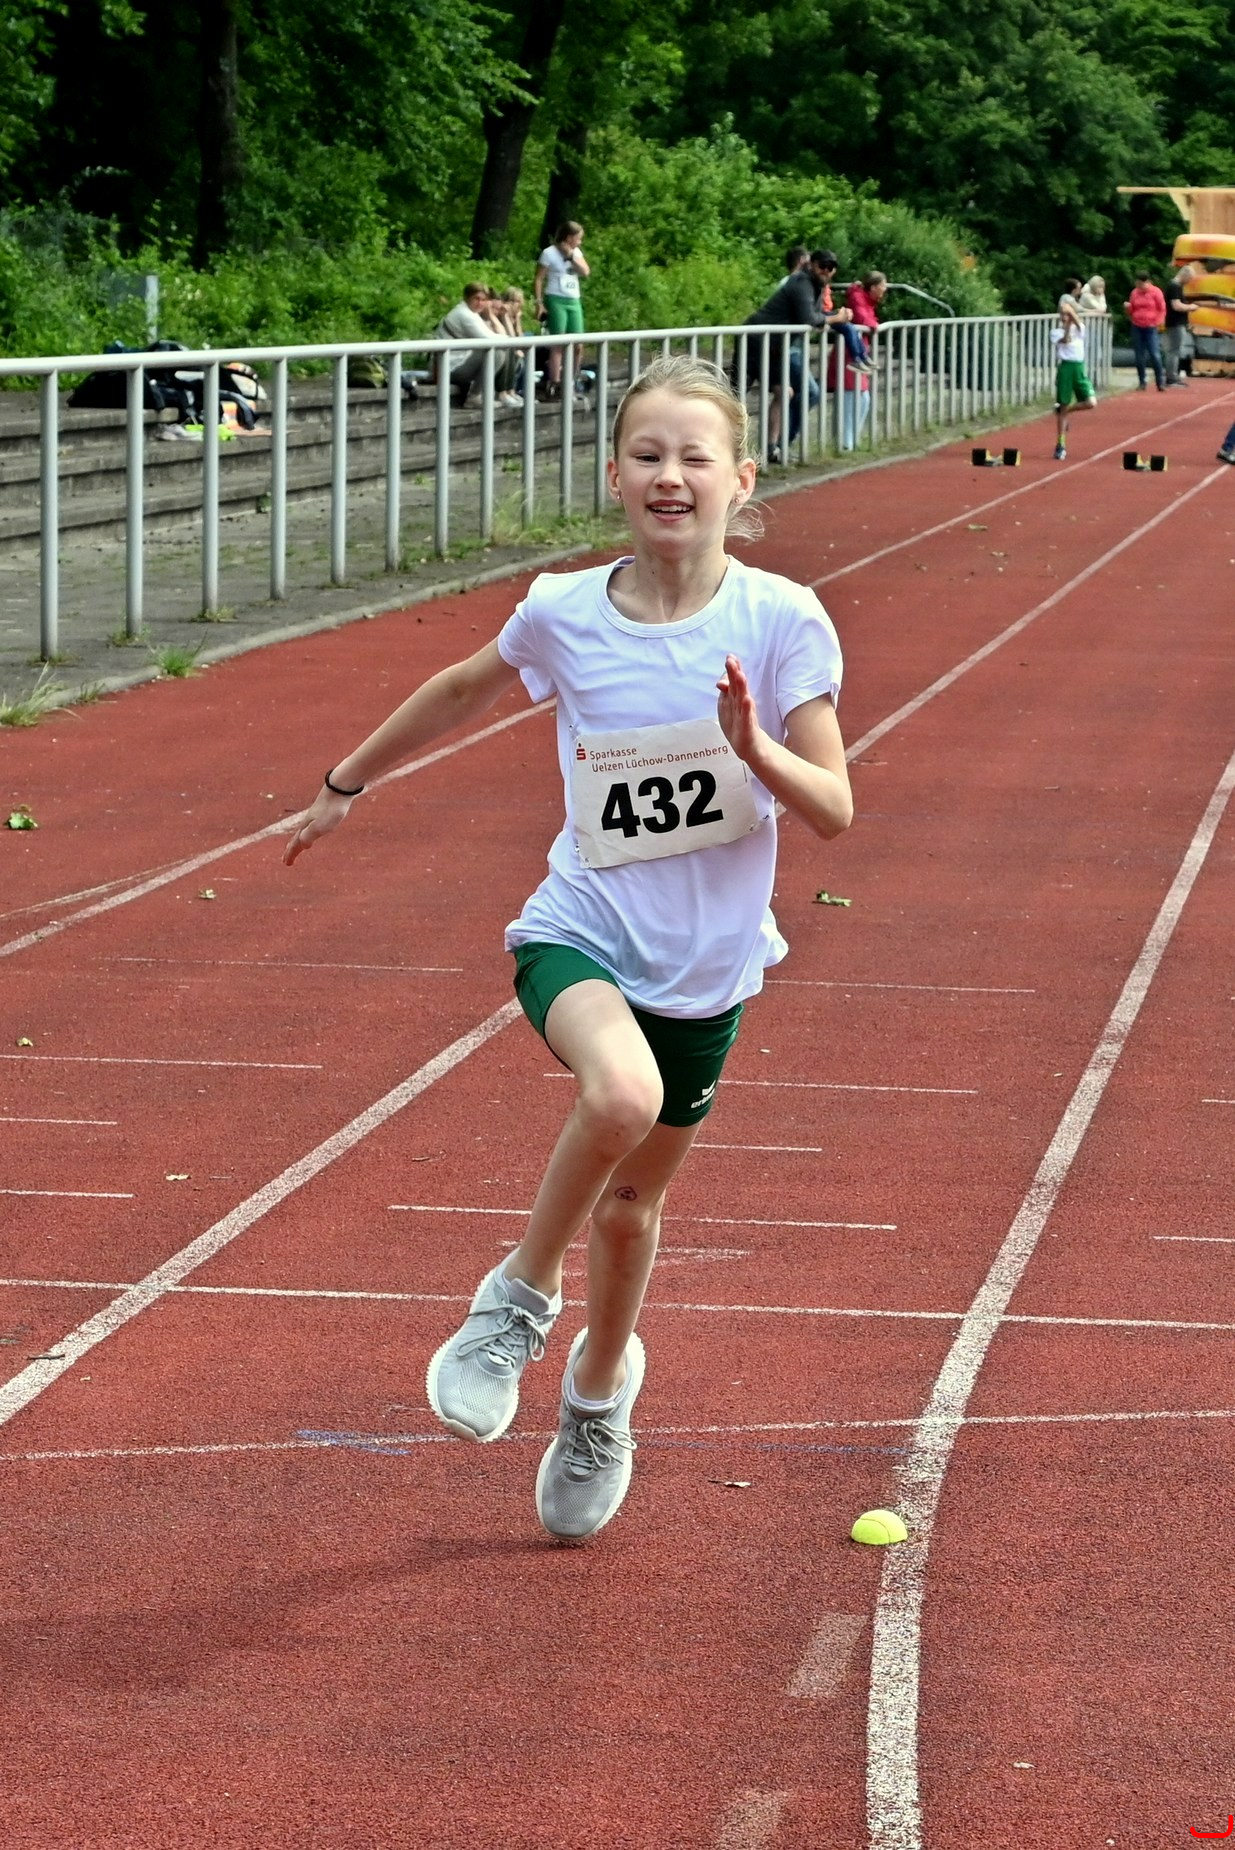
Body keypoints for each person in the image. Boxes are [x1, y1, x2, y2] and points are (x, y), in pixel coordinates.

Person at [283, 355, 853, 1542]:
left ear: (741, 479)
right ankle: (515, 1302)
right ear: (612, 475)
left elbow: (833, 807)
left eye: (694, 456)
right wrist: (344, 780)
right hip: (578, 930)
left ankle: (597, 1392)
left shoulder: (780, 619)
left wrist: (754, 750)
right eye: (646, 454)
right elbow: (459, 687)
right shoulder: (561, 610)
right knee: (617, 1093)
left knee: (632, 1210)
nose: (669, 475)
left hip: (704, 968)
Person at [433, 283, 520, 408]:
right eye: (476, 299)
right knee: (497, 352)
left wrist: (509, 338)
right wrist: (510, 340)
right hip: (450, 367)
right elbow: (489, 338)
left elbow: (498, 336)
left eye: (483, 300)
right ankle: (475, 396)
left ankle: (505, 392)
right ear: (467, 298)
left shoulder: (471, 313)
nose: (480, 303)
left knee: (505, 348)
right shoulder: (464, 314)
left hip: (460, 360)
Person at [534, 221, 590, 398]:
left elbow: (585, 272)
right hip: (556, 298)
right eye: (578, 238)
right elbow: (539, 278)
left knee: (578, 344)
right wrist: (539, 302)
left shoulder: (576, 252)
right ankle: (555, 382)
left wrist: (571, 255)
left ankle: (571, 379)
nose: (580, 242)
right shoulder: (549, 253)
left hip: (573, 299)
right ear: (569, 237)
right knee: (558, 342)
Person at [834, 270, 886, 451]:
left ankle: (851, 441)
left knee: (863, 398)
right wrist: (873, 325)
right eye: (883, 285)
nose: (885, 289)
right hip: (848, 354)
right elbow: (862, 317)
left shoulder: (865, 299)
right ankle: (846, 444)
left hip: (856, 352)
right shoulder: (857, 297)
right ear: (873, 287)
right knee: (852, 398)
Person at [1051, 297, 1098, 460]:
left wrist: (1072, 313)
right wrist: (1067, 325)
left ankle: (1065, 411)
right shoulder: (1055, 332)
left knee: (1091, 402)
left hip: (1079, 368)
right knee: (1063, 403)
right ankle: (1060, 444)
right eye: (1063, 315)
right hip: (1066, 368)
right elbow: (1065, 340)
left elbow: (1079, 325)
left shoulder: (1079, 328)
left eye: (1067, 314)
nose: (1065, 317)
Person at [1124, 272, 1167, 391]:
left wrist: (1158, 322)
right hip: (1137, 325)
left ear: (1147, 282)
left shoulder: (1156, 292)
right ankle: (1142, 381)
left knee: (1155, 354)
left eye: (1141, 284)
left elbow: (1162, 309)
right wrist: (1128, 308)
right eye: (1137, 283)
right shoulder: (1134, 293)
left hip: (1151, 326)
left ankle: (1160, 382)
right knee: (1139, 355)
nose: (1139, 286)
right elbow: (1132, 310)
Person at [1163, 264, 1196, 386]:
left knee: (1174, 350)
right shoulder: (1175, 287)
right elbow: (1176, 306)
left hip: (1175, 323)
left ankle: (1172, 376)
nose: (1188, 282)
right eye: (1189, 279)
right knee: (1174, 350)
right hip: (1175, 323)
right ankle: (1171, 377)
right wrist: (1190, 307)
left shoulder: (1175, 286)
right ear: (1185, 275)